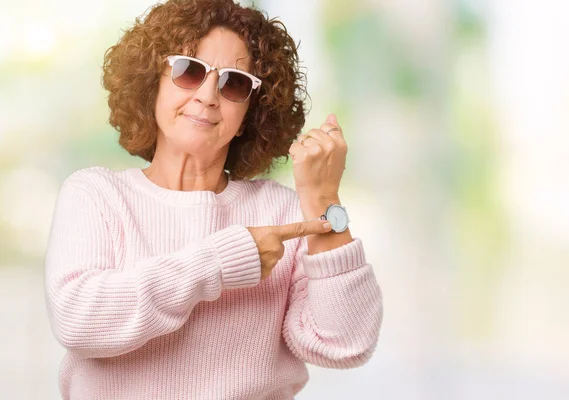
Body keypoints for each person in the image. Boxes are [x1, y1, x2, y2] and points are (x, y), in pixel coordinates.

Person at [44, 0, 383, 399]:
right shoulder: (97, 196)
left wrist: (323, 196)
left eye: (234, 83)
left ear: (251, 112)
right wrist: (223, 261)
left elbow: (345, 343)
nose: (207, 96)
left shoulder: (281, 212)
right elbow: (79, 321)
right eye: (189, 71)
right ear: (152, 83)